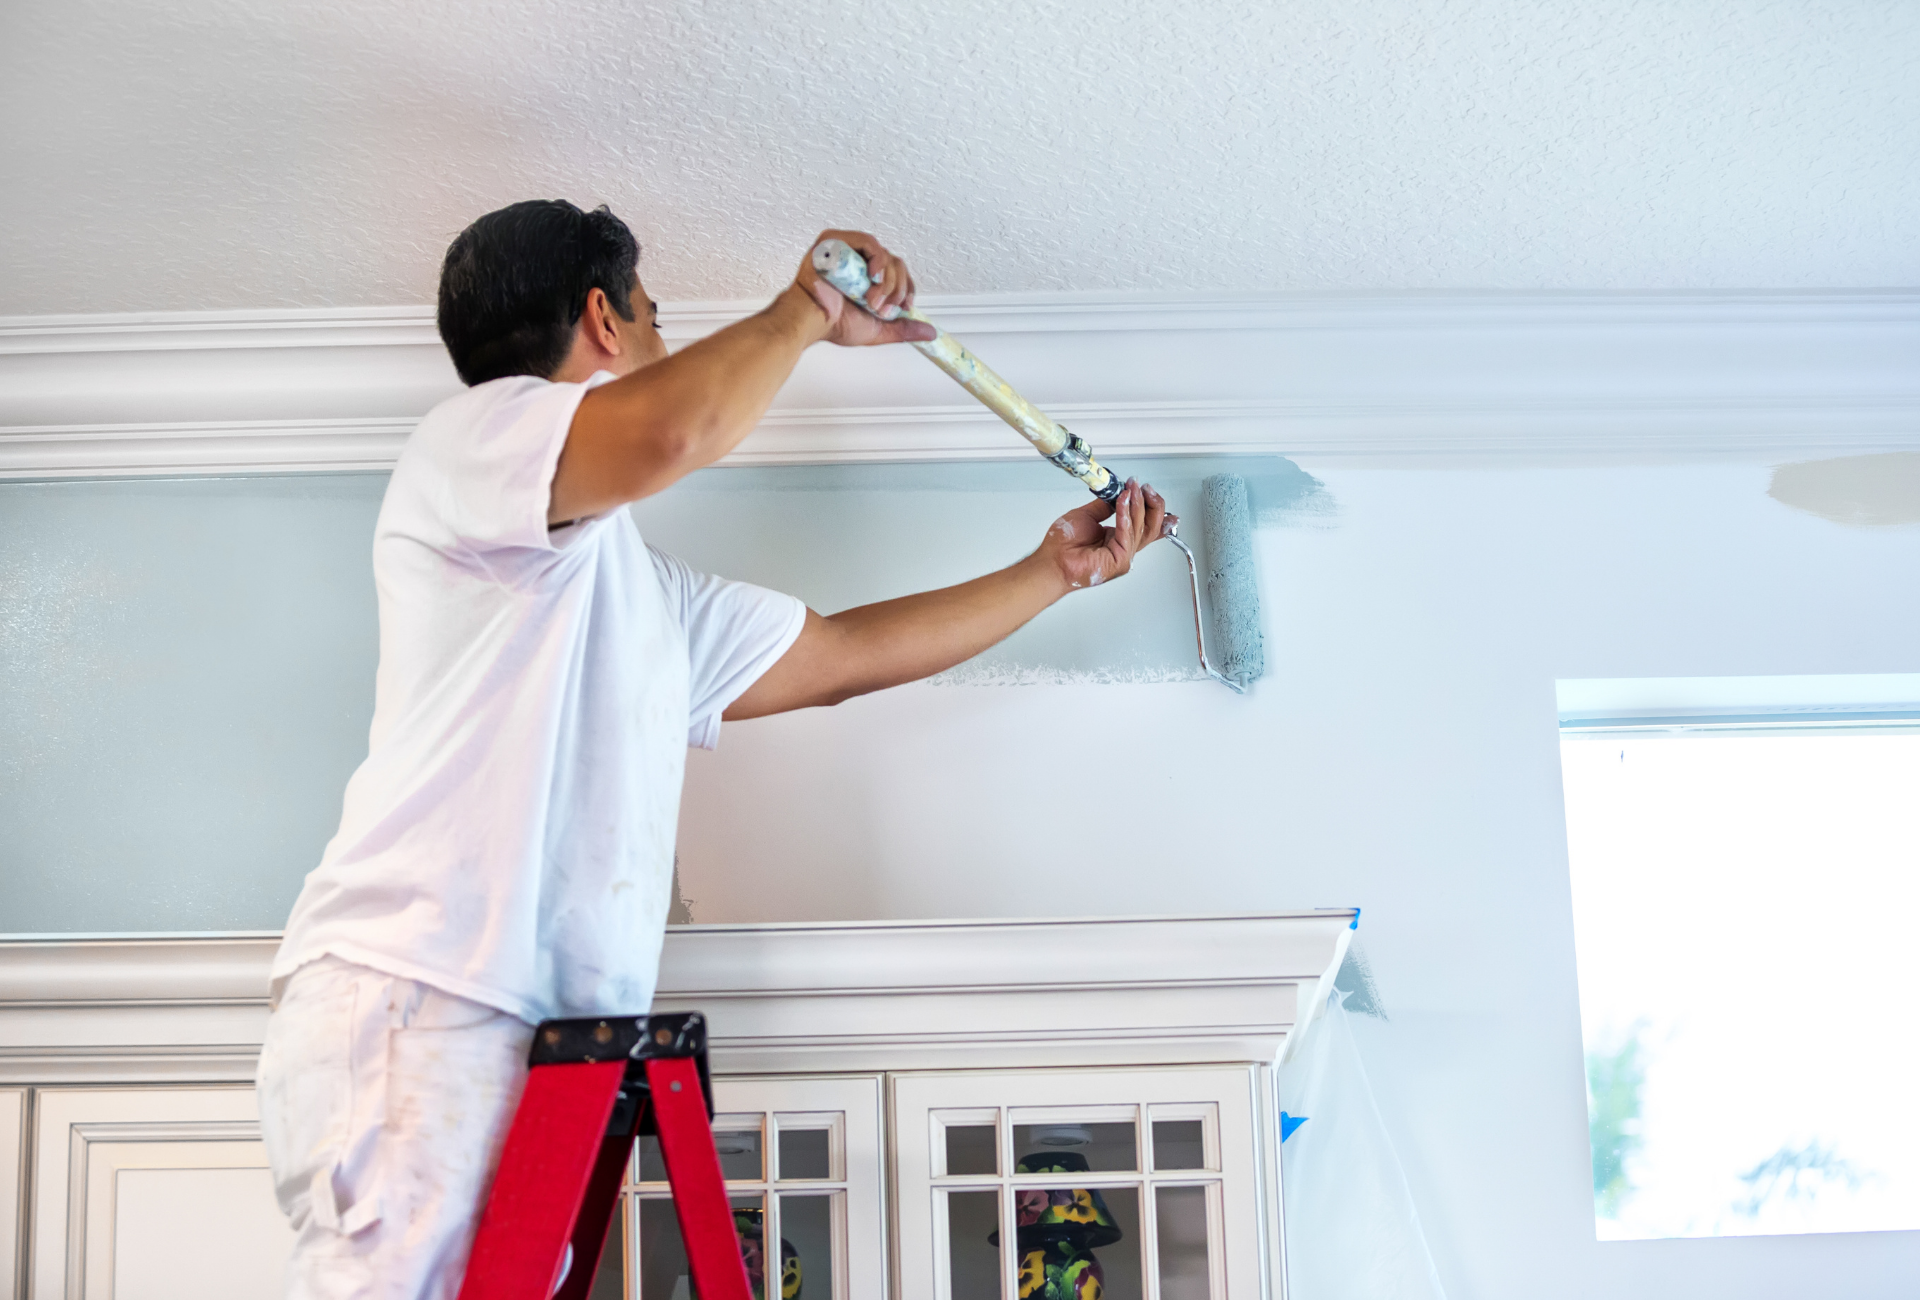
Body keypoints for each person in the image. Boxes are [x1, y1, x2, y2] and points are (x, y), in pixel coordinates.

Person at [255, 199, 1172, 1299]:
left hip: (542, 1038)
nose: (662, 342)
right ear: (603, 319)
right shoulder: (471, 443)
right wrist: (805, 311)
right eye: (653, 317)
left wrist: (1053, 572)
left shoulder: (635, 595)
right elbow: (671, 430)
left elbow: (838, 655)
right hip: (426, 990)